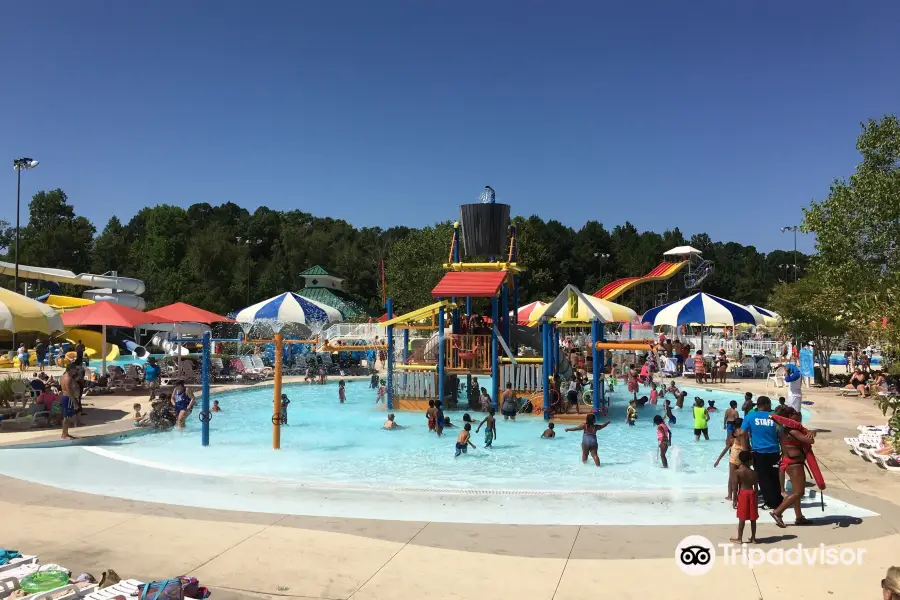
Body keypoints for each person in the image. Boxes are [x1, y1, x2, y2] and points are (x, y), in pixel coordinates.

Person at [771, 407, 815, 528]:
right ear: (790, 416)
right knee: (799, 492)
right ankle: (778, 512)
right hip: (795, 463)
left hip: (790, 462)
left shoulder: (784, 429)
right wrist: (812, 433)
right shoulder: (793, 431)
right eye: (797, 413)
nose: (799, 415)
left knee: (796, 492)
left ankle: (799, 517)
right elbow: (810, 441)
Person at [741, 396, 782, 510]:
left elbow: (742, 433)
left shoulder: (750, 417)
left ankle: (769, 502)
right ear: (766, 404)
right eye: (769, 404)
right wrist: (784, 451)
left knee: (763, 478)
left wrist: (746, 449)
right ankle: (777, 501)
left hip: (759, 452)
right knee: (774, 476)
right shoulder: (774, 417)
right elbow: (781, 435)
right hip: (774, 452)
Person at [715, 417, 747, 500]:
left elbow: (725, 449)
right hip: (742, 460)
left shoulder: (733, 437)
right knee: (740, 478)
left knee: (732, 477)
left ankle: (730, 495)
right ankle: (738, 495)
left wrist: (718, 460)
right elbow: (746, 449)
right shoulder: (744, 434)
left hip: (733, 459)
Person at [731, 450, 759, 544]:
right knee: (753, 518)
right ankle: (754, 538)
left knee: (742, 517)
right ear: (749, 460)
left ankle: (739, 538)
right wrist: (757, 499)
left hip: (743, 494)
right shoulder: (754, 472)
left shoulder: (737, 472)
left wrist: (734, 499)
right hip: (752, 493)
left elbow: (735, 487)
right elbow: (756, 487)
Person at [60, 363, 79, 440]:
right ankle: (64, 434)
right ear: (71, 369)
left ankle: (65, 433)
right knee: (67, 417)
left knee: (67, 416)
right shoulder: (68, 378)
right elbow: (69, 391)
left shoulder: (63, 377)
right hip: (68, 398)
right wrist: (75, 402)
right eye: (75, 369)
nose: (75, 371)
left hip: (65, 397)